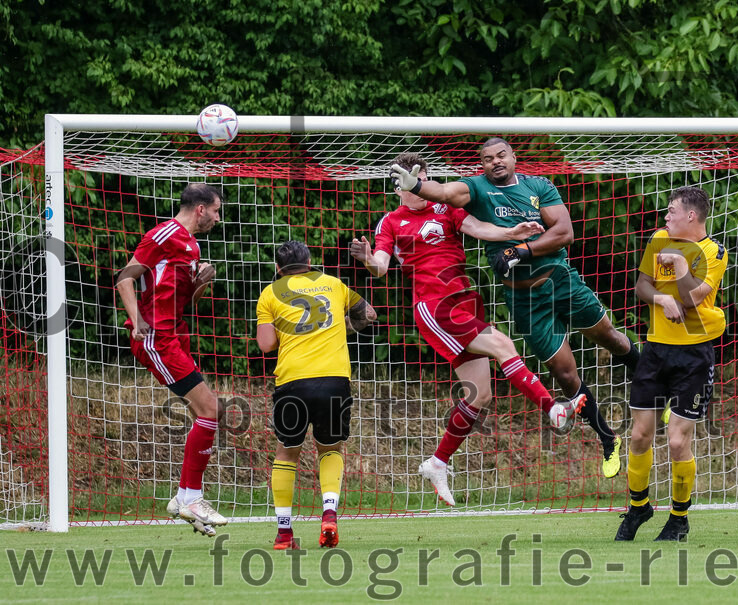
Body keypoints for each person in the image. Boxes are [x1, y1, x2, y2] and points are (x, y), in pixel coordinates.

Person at [389, 139, 640, 478]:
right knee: (565, 375)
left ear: (513, 157)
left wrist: (520, 250)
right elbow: (446, 193)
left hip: (561, 280)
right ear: (482, 164)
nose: (496, 162)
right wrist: (417, 185)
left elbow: (564, 233)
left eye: (501, 155)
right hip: (524, 300)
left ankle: (649, 383)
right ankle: (608, 439)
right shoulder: (475, 188)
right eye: (488, 158)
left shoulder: (538, 186)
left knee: (610, 337)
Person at [351, 152, 585, 506]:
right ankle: (553, 410)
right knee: (504, 345)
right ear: (397, 185)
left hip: (464, 301)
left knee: (481, 396)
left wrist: (512, 232)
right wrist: (368, 258)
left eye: (422, 179)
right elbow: (381, 267)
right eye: (409, 180)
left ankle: (437, 462)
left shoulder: (445, 210)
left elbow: (477, 228)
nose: (418, 187)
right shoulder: (390, 222)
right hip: (435, 306)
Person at [613, 186, 727, 541]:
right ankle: (638, 507)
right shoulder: (659, 238)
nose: (665, 217)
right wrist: (661, 298)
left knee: (678, 442)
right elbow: (641, 286)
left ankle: (679, 518)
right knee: (639, 435)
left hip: (694, 355)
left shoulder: (715, 252)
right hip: (655, 351)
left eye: (671, 211)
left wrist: (678, 264)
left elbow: (693, 298)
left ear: (691, 216)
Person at [114, 183, 226, 536]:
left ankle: (185, 499)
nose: (218, 218)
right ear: (200, 209)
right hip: (156, 339)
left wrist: (200, 283)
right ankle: (190, 498)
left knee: (205, 413)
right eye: (217, 211)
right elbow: (124, 279)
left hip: (174, 337)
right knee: (211, 408)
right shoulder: (164, 233)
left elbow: (181, 299)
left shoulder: (190, 245)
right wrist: (138, 321)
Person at [256, 240, 377, 550]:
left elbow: (266, 345)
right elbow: (369, 315)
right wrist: (340, 328)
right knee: (330, 449)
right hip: (334, 381)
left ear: (278, 268)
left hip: (292, 382)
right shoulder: (333, 284)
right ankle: (329, 515)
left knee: (287, 453)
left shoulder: (270, 294)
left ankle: (284, 534)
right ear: (310, 261)